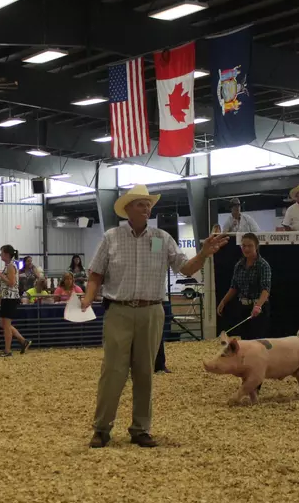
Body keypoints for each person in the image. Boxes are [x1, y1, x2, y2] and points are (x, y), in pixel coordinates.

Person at [81, 184, 228, 449]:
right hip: (119, 310)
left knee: (145, 371)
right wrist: (88, 297)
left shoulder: (161, 238)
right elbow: (95, 274)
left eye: (148, 204)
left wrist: (205, 253)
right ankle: (102, 428)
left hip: (152, 311)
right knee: (112, 372)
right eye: (140, 204)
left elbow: (185, 268)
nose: (147, 208)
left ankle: (140, 428)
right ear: (127, 209)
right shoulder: (111, 237)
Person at [216, 233, 272, 341]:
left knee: (258, 341)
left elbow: (266, 289)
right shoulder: (239, 265)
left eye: (250, 246)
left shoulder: (263, 265)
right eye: (243, 246)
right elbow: (234, 287)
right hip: (243, 307)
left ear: (256, 246)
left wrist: (258, 306)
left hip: (259, 308)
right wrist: (223, 302)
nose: (246, 248)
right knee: (245, 340)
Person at [0, 244, 30, 357]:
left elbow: (11, 282)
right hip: (7, 297)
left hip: (10, 298)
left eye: (2, 252)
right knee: (3, 323)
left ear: (7, 254)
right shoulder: (9, 265)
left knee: (6, 325)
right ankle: (23, 341)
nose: (0, 255)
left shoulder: (10, 266)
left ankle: (7, 351)